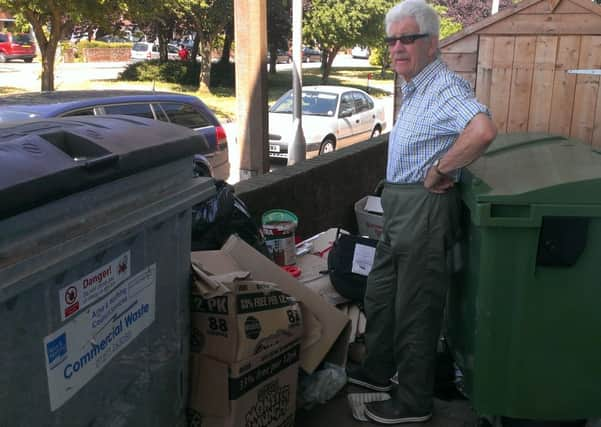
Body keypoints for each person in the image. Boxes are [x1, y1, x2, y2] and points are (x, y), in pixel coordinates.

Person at [346, 0, 497, 424]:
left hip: (424, 208)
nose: (397, 47)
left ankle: (412, 402)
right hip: (399, 207)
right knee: (380, 296)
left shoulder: (444, 87)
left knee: (416, 307)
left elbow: (483, 129)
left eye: (407, 38)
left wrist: (441, 168)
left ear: (431, 44)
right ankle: (377, 372)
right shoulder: (415, 86)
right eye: (392, 39)